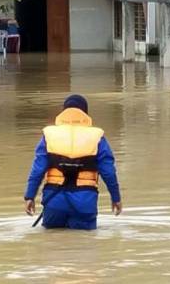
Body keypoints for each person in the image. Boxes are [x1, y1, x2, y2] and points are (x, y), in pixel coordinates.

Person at [24, 95, 122, 230]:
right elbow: (109, 172)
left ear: (63, 111)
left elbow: (37, 170)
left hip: (54, 200)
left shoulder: (49, 135)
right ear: (85, 113)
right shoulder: (97, 137)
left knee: (51, 246)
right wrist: (115, 198)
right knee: (85, 245)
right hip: (84, 200)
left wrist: (30, 196)